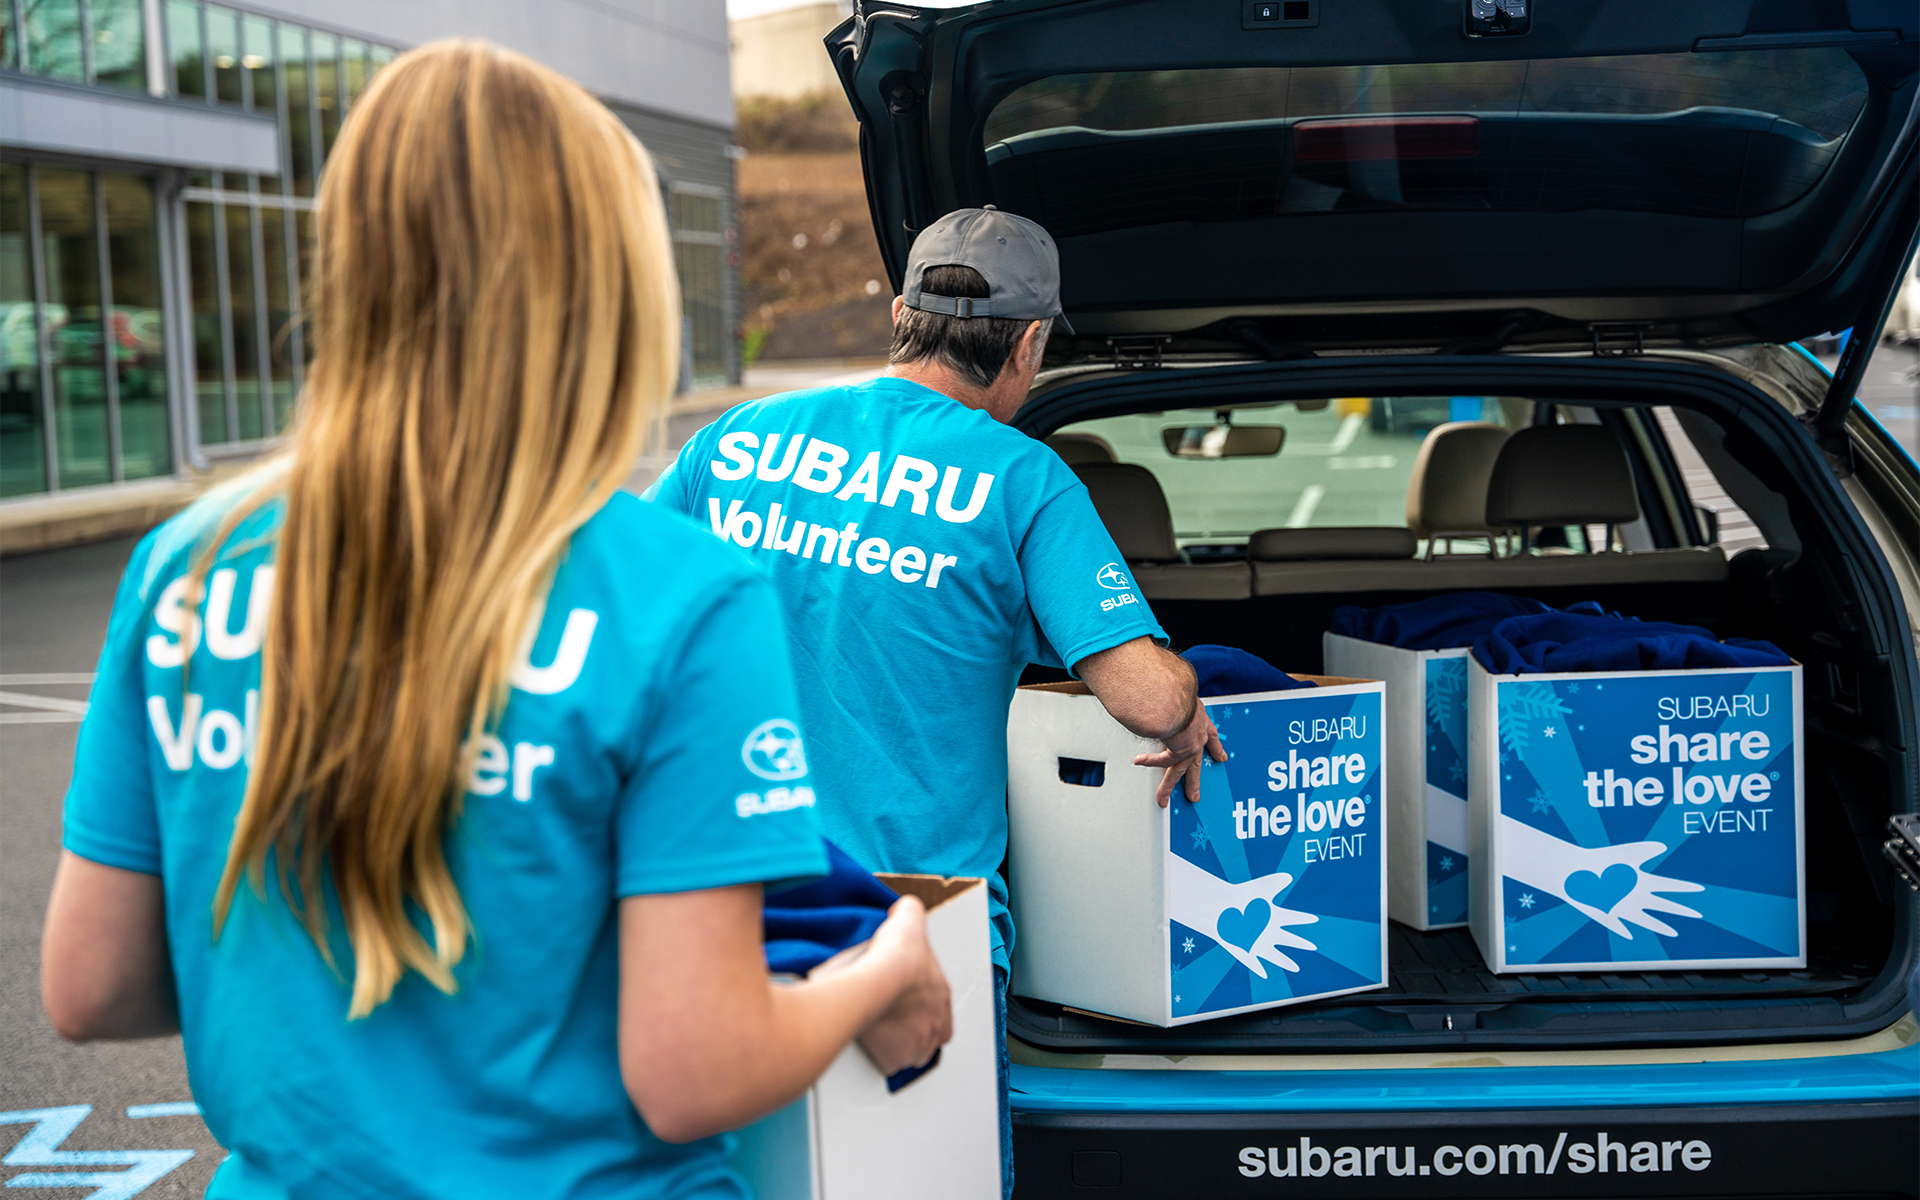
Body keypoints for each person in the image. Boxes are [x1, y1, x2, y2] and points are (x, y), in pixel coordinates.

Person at [39, 40, 949, 1199]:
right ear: (611, 289)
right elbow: (696, 1069)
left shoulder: (186, 567)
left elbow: (92, 983)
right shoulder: (679, 595)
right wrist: (886, 977)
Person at [648, 205, 1225, 1192]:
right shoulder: (1022, 480)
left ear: (903, 311)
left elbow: (635, 618)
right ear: (1030, 342)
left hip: (726, 898)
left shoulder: (740, 439)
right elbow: (1141, 695)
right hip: (915, 919)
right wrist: (1187, 713)